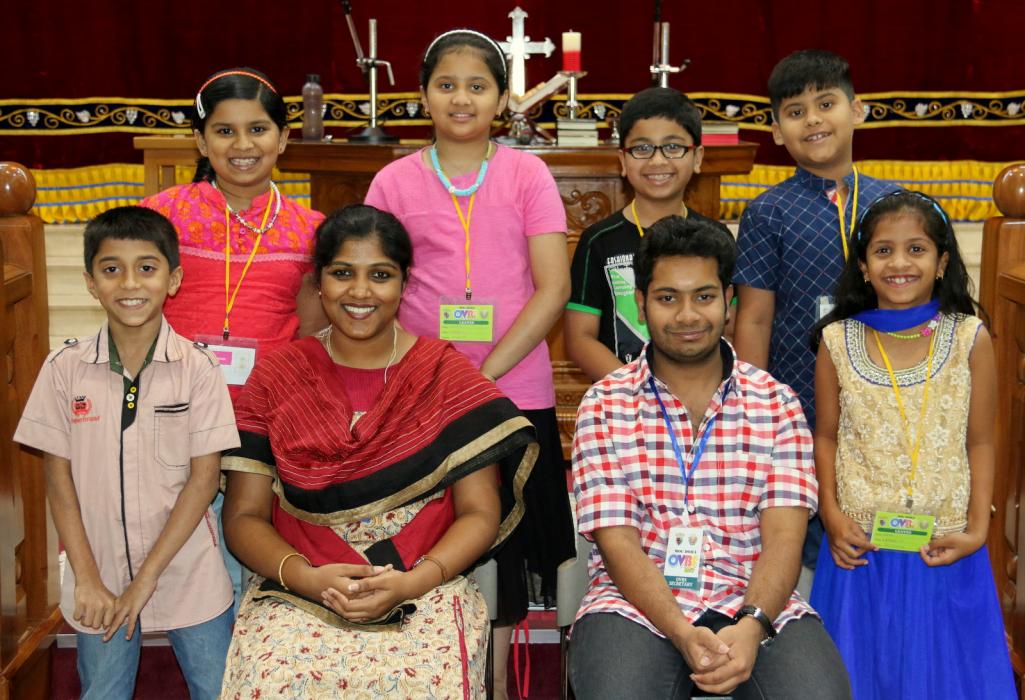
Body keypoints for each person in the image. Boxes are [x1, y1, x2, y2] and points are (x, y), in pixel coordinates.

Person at [218, 204, 538, 698]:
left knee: (426, 683)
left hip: (425, 586)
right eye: (342, 273)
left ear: (405, 283)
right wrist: (306, 578)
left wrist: (413, 583)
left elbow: (479, 512)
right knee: (275, 676)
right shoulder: (278, 375)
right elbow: (243, 516)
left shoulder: (444, 376)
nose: (361, 292)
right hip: (298, 587)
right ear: (318, 282)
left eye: (381, 275)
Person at [363, 29, 575, 695]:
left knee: (504, 546)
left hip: (513, 392)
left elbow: (553, 288)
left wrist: (480, 378)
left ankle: (497, 683)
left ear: (501, 99)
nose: (461, 98)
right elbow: (373, 284)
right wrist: (433, 376)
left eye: (477, 86)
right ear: (423, 95)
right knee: (427, 534)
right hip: (419, 391)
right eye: (447, 85)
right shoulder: (393, 180)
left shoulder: (527, 174)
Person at [569, 216, 850, 699]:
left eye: (703, 296)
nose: (687, 316)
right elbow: (618, 544)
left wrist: (753, 624)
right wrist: (681, 630)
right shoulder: (604, 404)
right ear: (641, 303)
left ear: (728, 301)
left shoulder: (776, 403)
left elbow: (784, 538)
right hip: (635, 605)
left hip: (754, 599)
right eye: (667, 298)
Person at [13, 207, 239, 699]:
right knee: (104, 692)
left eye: (147, 267)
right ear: (91, 283)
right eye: (111, 269)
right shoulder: (64, 368)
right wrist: (87, 577)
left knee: (218, 688)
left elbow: (204, 481)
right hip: (100, 575)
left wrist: (145, 582)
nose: (130, 283)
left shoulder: (198, 370)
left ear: (173, 279)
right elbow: (58, 482)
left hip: (187, 571)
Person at [809, 190, 1015, 698]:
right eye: (883, 251)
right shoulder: (837, 342)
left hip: (943, 549)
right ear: (863, 266)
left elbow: (982, 440)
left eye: (916, 249)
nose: (899, 263)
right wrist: (831, 514)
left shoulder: (969, 338)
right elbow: (826, 435)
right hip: (862, 552)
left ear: (942, 262)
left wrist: (977, 529)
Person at [141, 67, 326, 611]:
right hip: (174, 415)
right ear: (201, 141)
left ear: (283, 138)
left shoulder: (310, 229)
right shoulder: (162, 216)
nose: (242, 145)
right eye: (224, 131)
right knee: (182, 569)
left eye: (258, 129)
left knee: (250, 565)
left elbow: (314, 333)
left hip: (266, 422)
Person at [732, 49, 897, 567]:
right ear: (777, 131)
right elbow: (754, 317)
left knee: (883, 537)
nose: (813, 120)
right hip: (798, 407)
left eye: (826, 104)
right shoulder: (768, 212)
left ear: (857, 110)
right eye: (795, 111)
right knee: (803, 543)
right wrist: (754, 411)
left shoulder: (896, 205)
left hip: (887, 401)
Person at [566, 87, 732, 380]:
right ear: (623, 160)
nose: (657, 161)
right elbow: (580, 339)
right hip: (623, 395)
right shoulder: (598, 241)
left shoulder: (716, 238)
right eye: (642, 149)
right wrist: (635, 392)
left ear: (697, 157)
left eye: (673, 147)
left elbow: (730, 329)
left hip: (702, 392)